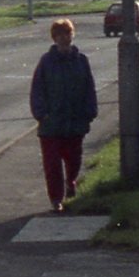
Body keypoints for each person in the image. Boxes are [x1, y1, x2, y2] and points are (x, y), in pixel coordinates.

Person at [28, 17, 98, 213]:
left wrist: (90, 112)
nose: (64, 38)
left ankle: (71, 182)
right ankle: (56, 199)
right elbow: (37, 90)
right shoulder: (46, 62)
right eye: (59, 35)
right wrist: (42, 115)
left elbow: (89, 88)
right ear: (54, 38)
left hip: (75, 122)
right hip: (51, 125)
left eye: (67, 34)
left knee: (74, 159)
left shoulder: (81, 61)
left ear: (72, 35)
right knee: (52, 165)